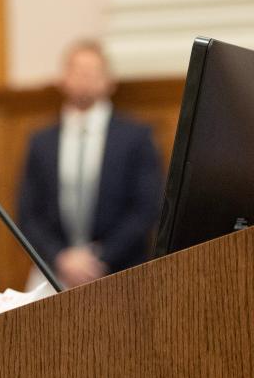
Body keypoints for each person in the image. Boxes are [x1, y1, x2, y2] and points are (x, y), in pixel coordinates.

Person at [17, 40, 163, 289]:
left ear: (110, 81)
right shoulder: (41, 142)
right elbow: (28, 213)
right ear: (62, 79)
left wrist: (100, 258)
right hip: (55, 271)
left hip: (121, 271)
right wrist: (61, 258)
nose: (84, 77)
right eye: (76, 70)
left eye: (93, 71)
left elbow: (145, 208)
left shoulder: (136, 138)